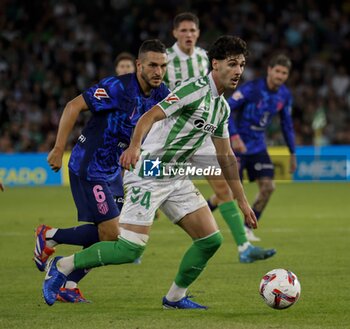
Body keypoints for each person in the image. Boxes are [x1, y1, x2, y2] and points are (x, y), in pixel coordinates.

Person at [42, 35, 257, 309]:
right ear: (215, 64)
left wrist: (242, 200)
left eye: (241, 64)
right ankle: (61, 266)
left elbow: (226, 156)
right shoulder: (193, 90)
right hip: (150, 170)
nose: (238, 70)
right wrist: (133, 147)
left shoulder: (221, 108)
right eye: (232, 64)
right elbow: (149, 116)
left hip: (176, 175)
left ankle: (175, 298)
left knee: (210, 240)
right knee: (129, 249)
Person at [34, 39, 169, 303]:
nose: (158, 71)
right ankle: (50, 236)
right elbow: (73, 106)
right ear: (139, 64)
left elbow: (156, 143)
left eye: (163, 66)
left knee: (114, 237)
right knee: (112, 233)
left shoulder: (160, 94)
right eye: (152, 65)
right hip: (89, 167)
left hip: (115, 173)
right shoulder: (117, 87)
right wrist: (58, 148)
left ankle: (69, 284)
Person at [164, 12, 275, 262]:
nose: (188, 35)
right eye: (183, 31)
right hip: (172, 138)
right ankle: (126, 236)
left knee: (223, 186)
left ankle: (244, 248)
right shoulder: (166, 59)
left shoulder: (206, 57)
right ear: (174, 33)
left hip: (202, 137)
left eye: (192, 30)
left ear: (198, 33)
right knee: (149, 179)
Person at [209, 53, 297, 241]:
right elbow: (227, 109)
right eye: (278, 71)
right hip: (236, 147)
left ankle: (248, 227)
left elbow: (287, 125)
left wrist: (292, 152)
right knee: (230, 192)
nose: (280, 76)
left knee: (268, 187)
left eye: (284, 73)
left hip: (258, 147)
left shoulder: (285, 95)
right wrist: (234, 136)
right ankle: (205, 210)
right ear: (269, 70)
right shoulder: (251, 89)